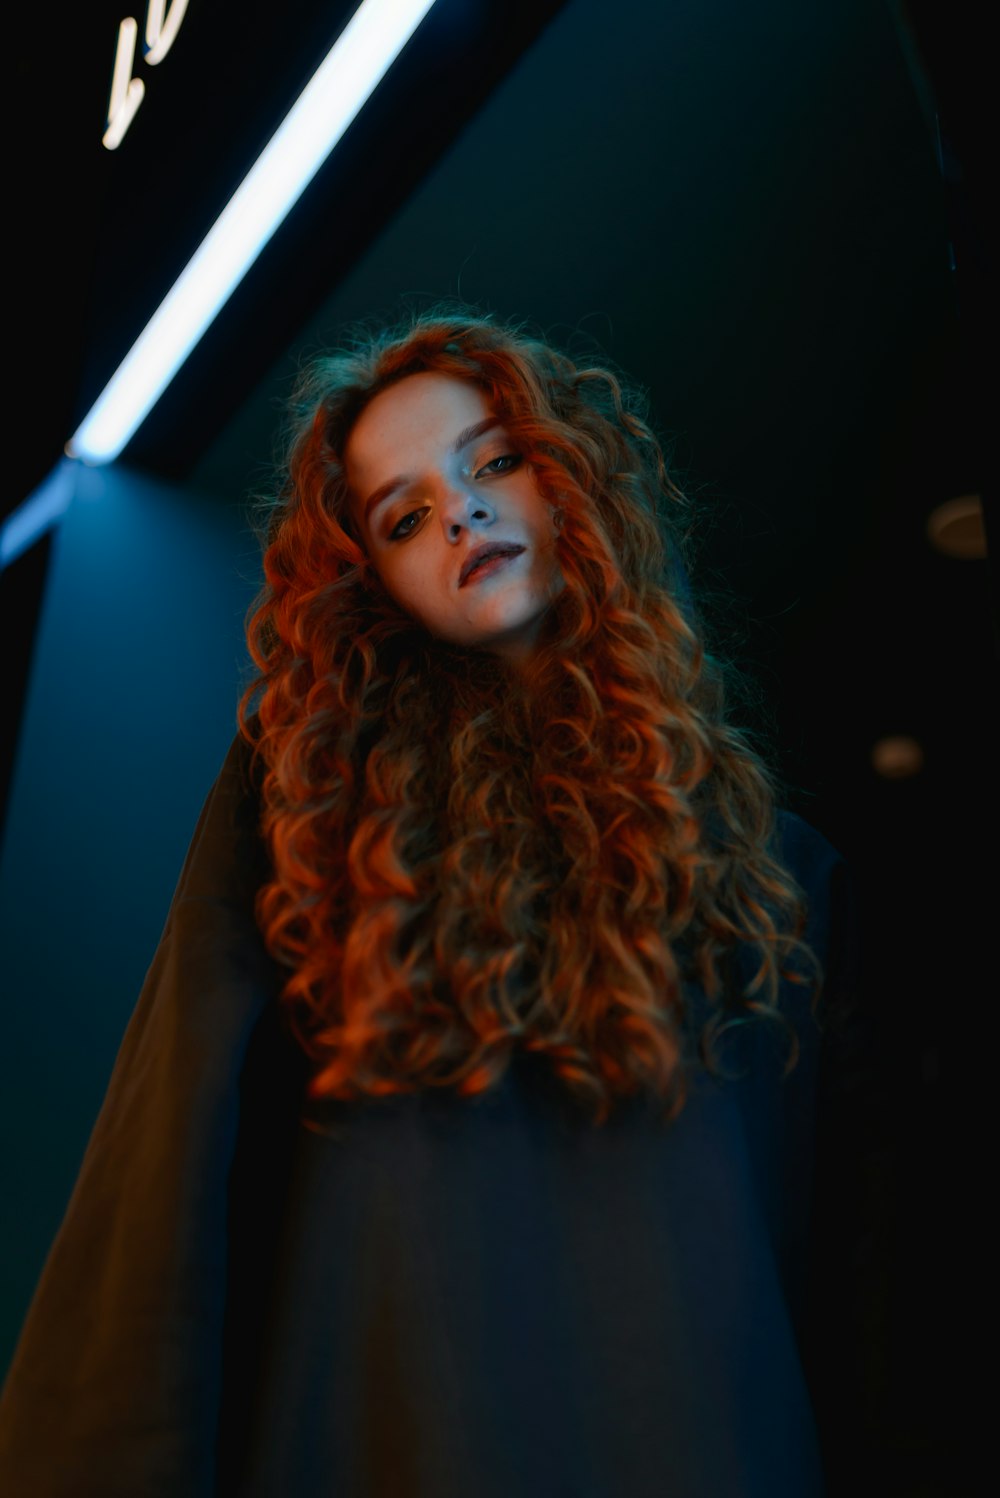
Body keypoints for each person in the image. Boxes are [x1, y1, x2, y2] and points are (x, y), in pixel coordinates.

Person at [0, 303, 861, 1496]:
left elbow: (834, 1262)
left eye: (493, 459)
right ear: (377, 585)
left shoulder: (776, 867)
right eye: (403, 516)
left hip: (702, 1439)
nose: (458, 509)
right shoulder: (307, 803)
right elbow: (167, 1154)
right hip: (393, 1433)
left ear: (573, 478)